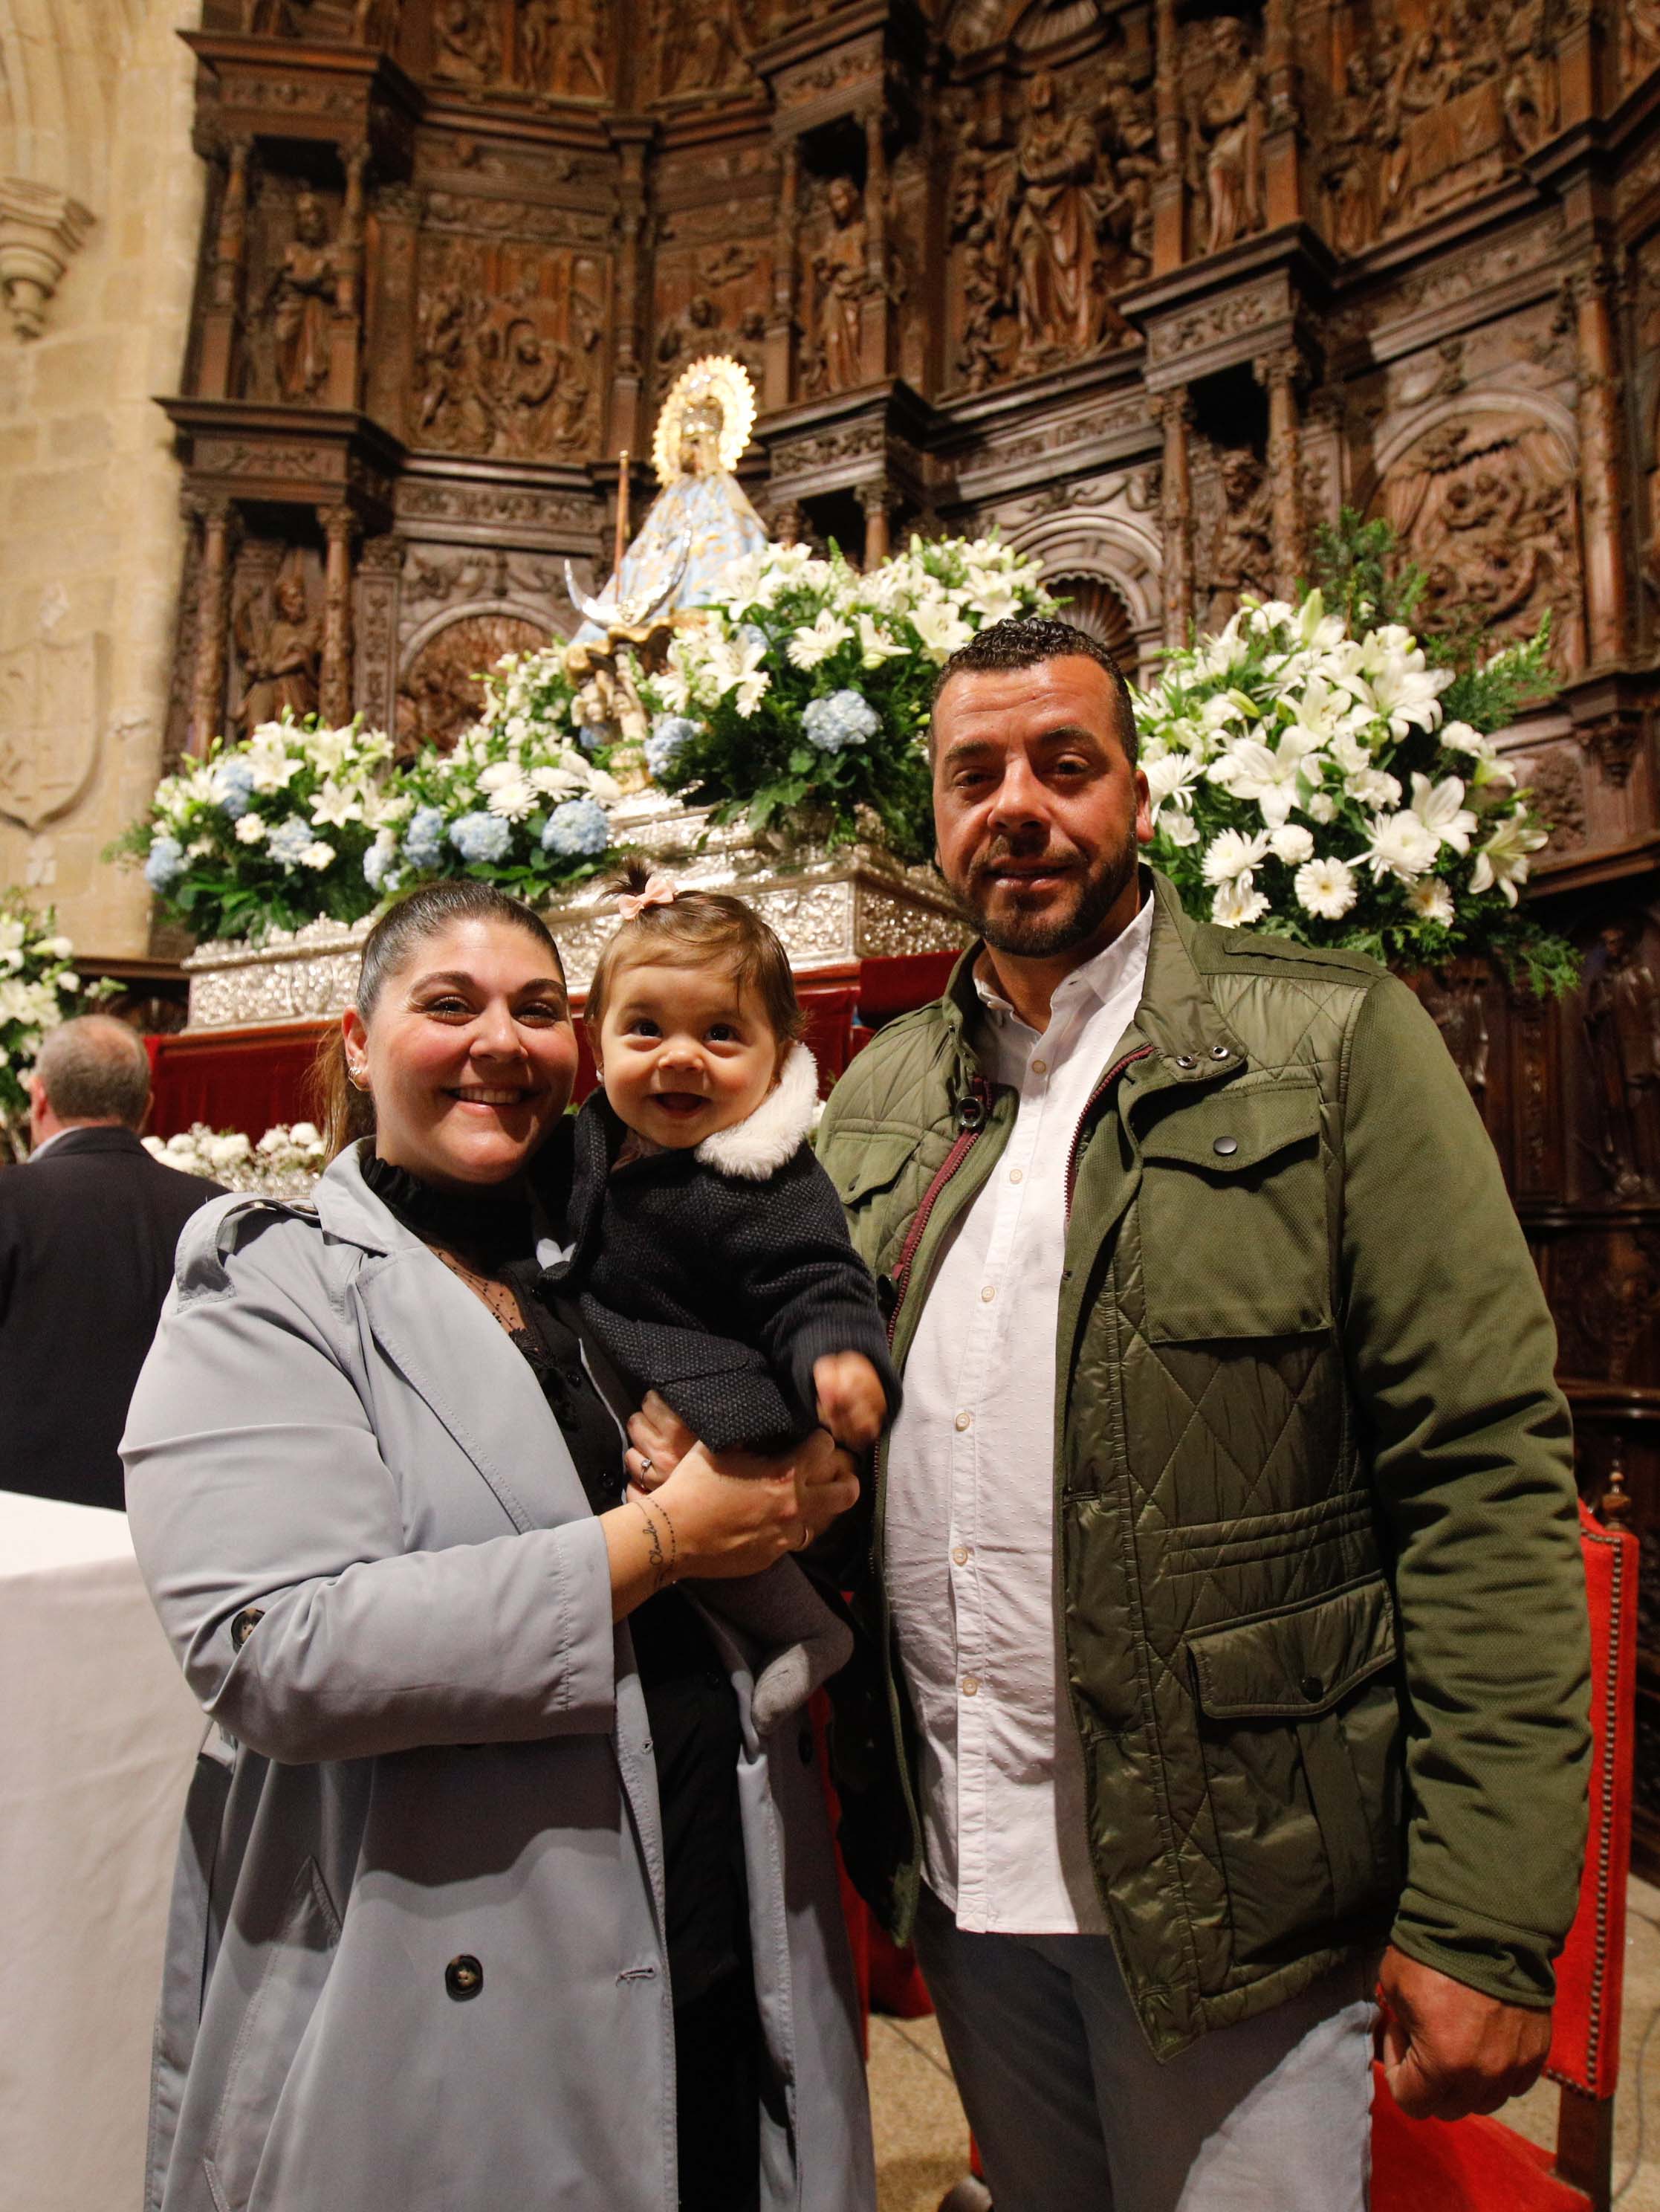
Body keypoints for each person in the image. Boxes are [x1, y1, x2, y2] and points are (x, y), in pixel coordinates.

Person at [804, 615, 1589, 2211]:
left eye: (1062, 764)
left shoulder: (1328, 1044)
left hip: (1244, 1893)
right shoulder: (879, 1091)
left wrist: (1486, 1915)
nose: (1016, 805)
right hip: (967, 1878)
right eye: (973, 775)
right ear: (933, 817)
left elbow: (1481, 1478)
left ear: (1141, 798)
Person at [122, 882, 873, 2212]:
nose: (499, 1040)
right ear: (358, 1042)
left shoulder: (607, 1254)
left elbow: (779, 1413)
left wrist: (799, 1486)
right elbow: (272, 1650)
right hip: (460, 1967)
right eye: (447, 1005)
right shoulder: (269, 1281)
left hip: (719, 1904)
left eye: (536, 1009)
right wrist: (658, 1538)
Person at [555, 861, 898, 1726]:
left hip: (734, 1384)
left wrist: (841, 1358)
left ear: (779, 1051)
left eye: (719, 1033)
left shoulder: (765, 1173)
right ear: (593, 1039)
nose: (679, 1057)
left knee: (743, 1515)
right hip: (636, 1359)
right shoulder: (594, 1135)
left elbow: (816, 1277)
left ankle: (809, 1633)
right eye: (644, 1030)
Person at [0, 1014, 221, 1513]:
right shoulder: (218, 1210)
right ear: (145, 1107)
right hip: (174, 1518)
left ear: (39, 1099)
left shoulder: (8, 1201)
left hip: (19, 1517)